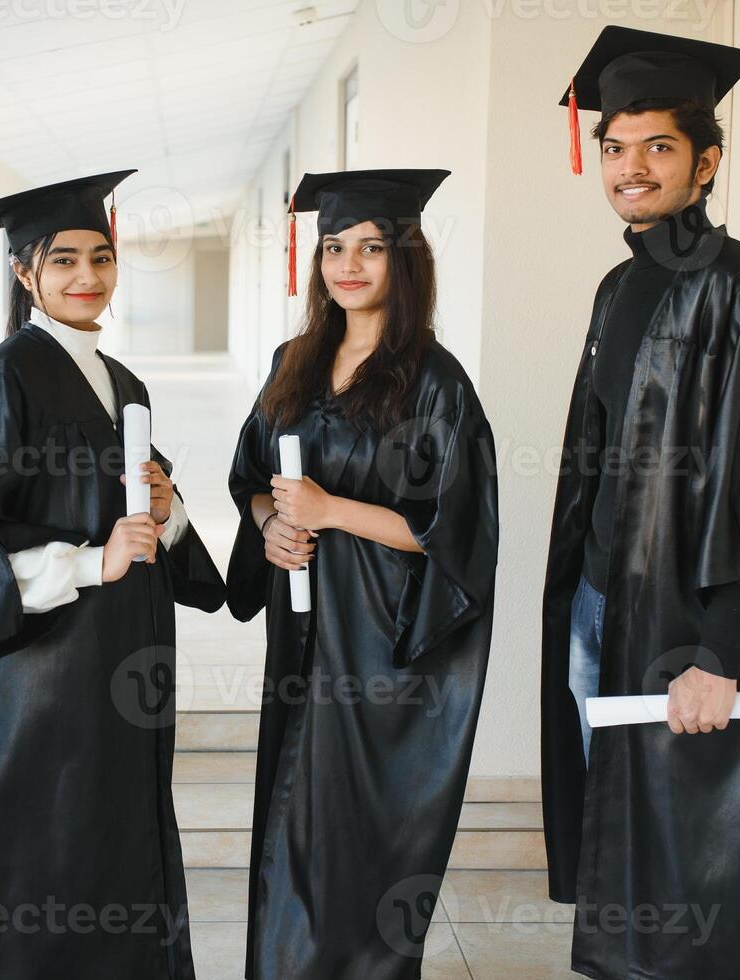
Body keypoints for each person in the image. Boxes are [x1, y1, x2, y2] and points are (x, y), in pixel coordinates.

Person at [540, 27, 740, 979]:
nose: (629, 168)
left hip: (687, 621)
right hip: (599, 606)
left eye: (657, 147)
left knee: (690, 860)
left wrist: (722, 652)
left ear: (705, 163)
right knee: (628, 841)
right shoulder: (619, 285)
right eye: (614, 148)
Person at [0, 170, 227, 978]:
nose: (86, 277)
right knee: (52, 857)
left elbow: (144, 523)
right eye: (63, 261)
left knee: (116, 842)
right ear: (26, 275)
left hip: (117, 666)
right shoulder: (4, 377)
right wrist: (96, 562)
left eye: (100, 257)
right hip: (43, 680)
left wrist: (169, 508)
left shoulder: (123, 383)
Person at [227, 169, 499, 979]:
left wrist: (330, 509)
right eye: (334, 247)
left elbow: (456, 534)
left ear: (404, 260)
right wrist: (272, 524)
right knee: (291, 823)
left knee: (361, 837)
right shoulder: (294, 362)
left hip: (385, 646)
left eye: (370, 249)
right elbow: (249, 479)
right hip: (303, 632)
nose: (347, 265)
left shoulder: (437, 383)